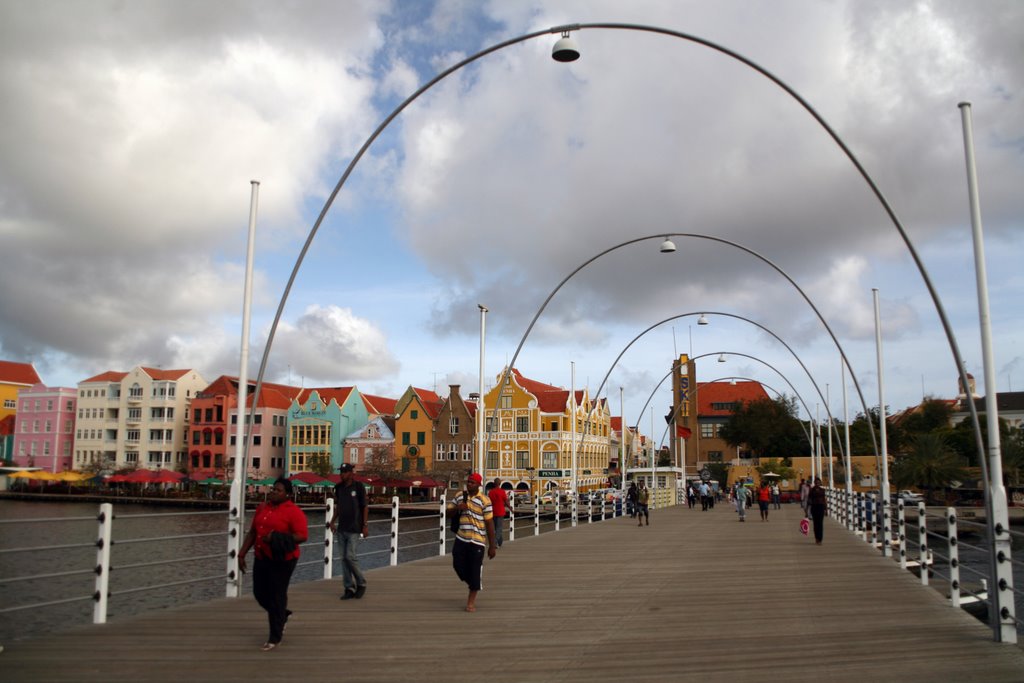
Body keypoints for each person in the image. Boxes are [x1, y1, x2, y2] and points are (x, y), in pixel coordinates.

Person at [238, 477, 309, 652]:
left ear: (288, 494)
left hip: (283, 559)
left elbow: (302, 536)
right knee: (259, 592)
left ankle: (274, 636)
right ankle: (281, 615)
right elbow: (253, 532)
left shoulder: (294, 512)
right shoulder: (262, 508)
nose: (274, 492)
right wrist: (241, 553)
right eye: (273, 489)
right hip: (262, 556)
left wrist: (276, 537)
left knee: (277, 594)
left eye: (278, 490)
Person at [446, 473, 497, 612]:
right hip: (461, 537)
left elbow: (489, 523)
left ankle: (471, 602)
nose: (469, 484)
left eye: (473, 482)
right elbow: (447, 513)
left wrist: (492, 546)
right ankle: (474, 583)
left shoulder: (485, 500)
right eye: (468, 482)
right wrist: (458, 508)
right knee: (457, 565)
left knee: (475, 570)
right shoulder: (459, 496)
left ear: (479, 485)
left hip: (478, 540)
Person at [330, 463, 368, 600]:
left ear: (351, 473)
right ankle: (349, 587)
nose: (342, 474)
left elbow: (364, 507)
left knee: (350, 556)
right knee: (343, 559)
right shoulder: (339, 488)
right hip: (342, 528)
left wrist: (365, 525)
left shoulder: (358, 487)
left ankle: (361, 583)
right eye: (341, 472)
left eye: (345, 472)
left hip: (354, 528)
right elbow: (338, 506)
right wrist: (332, 521)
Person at [487, 477, 508, 548]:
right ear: (500, 483)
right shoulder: (502, 491)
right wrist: (511, 509)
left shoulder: (490, 492)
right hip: (500, 512)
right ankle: (494, 543)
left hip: (492, 511)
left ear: (494, 483)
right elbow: (506, 501)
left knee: (496, 528)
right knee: (499, 528)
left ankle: (500, 542)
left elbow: (488, 502)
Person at [808, 477, 828, 544]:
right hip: (814, 507)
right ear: (814, 483)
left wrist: (826, 509)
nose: (817, 484)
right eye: (816, 482)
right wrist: (807, 510)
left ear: (820, 483)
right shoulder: (812, 490)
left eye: (818, 482)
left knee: (820, 524)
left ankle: (820, 539)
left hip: (821, 507)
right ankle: (816, 538)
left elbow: (824, 500)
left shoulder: (822, 490)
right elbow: (809, 499)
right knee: (815, 524)